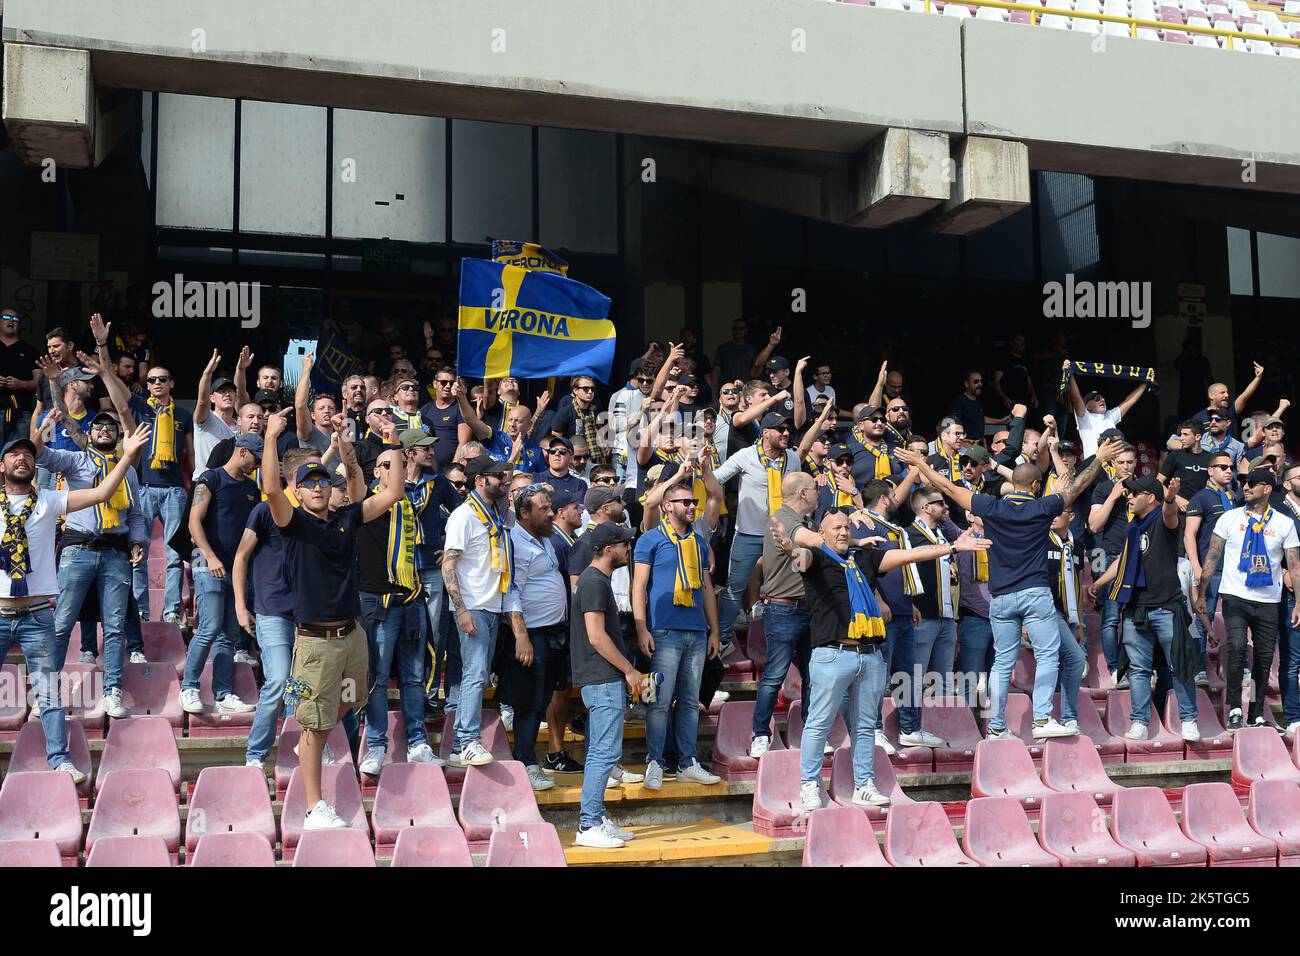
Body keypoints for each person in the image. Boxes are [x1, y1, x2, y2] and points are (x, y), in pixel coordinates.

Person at [898, 439, 1117, 739]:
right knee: (1049, 654)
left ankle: (997, 726)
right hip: (1035, 594)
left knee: (1001, 662)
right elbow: (1076, 488)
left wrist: (921, 464)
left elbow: (948, 488)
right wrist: (1099, 458)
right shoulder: (1043, 506)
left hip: (1000, 598)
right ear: (1037, 485)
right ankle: (1041, 720)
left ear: (1013, 484)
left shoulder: (991, 506)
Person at [770, 509, 988, 809]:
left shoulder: (865, 559)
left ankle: (864, 784)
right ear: (822, 534)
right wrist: (788, 548)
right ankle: (809, 784)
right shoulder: (816, 558)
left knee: (863, 728)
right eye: (835, 528)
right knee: (818, 724)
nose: (843, 532)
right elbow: (800, 558)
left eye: (846, 527)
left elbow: (910, 555)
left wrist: (951, 547)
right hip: (832, 655)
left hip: (870, 656)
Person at [261, 406, 395, 830]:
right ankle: (314, 806)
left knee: (355, 698)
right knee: (315, 728)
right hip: (316, 642)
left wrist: (392, 441)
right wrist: (270, 437)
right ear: (298, 492)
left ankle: (310, 738)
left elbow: (390, 494)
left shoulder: (345, 519)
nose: (318, 487)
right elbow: (269, 488)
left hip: (351, 636)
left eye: (323, 480)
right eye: (310, 482)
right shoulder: (293, 523)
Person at [0, 425, 151, 783]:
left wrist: (128, 455)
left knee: (49, 691)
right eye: (13, 454)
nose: (22, 458)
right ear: (1, 466)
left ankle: (59, 758)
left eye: (28, 454)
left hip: (36, 615)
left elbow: (101, 493)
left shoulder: (49, 500)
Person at [37, 408, 147, 719]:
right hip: (78, 548)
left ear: (117, 435)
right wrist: (46, 424)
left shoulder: (130, 472)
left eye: (110, 426)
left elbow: (136, 514)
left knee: (114, 628)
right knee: (61, 625)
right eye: (97, 426)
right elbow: (42, 456)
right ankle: (47, 692)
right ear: (89, 433)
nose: (104, 430)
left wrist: (138, 541)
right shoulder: (76, 460)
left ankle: (113, 691)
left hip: (115, 552)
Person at [355, 431, 444, 775]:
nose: (392, 470)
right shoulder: (365, 501)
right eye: (385, 466)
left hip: (412, 598)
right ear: (375, 473)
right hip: (379, 602)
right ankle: (377, 744)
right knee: (377, 677)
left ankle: (418, 742)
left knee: (413, 677)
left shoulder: (411, 502)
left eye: (397, 465)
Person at [1092, 476, 1201, 741]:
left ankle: (1188, 720)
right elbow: (1122, 561)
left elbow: (1171, 515)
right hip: (1135, 608)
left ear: (1150, 497)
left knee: (1179, 666)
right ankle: (1139, 721)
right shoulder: (1133, 528)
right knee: (1139, 670)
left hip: (1166, 607)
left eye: (1133, 493)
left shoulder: (1163, 522)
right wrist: (1099, 581)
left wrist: (1172, 498)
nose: (1128, 497)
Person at [233, 447, 322, 770]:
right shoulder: (265, 510)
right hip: (271, 610)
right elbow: (241, 557)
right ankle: (255, 755)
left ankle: (308, 748)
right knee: (280, 679)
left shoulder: (315, 514)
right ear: (294, 478)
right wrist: (241, 607)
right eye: (312, 475)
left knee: (311, 686)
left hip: (309, 614)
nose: (318, 483)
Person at [633, 481, 723, 789]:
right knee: (657, 701)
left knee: (689, 701)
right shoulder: (650, 539)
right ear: (667, 506)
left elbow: (707, 588)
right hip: (663, 631)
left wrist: (715, 630)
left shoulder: (698, 542)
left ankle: (687, 762)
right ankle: (655, 761)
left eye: (693, 501)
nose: (691, 506)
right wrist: (641, 627)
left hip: (696, 632)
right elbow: (638, 586)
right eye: (684, 501)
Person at [1195, 468, 1300, 731]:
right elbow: (1212, 556)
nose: (1246, 487)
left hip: (1269, 599)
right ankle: (1235, 709)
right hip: (1235, 595)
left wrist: (1299, 602)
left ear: (1267, 488)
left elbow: (1295, 567)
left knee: (1264, 659)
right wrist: (1201, 590)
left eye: (1252, 483)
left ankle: (1255, 711)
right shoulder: (1229, 518)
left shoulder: (1284, 523)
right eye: (1244, 482)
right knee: (1238, 647)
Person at [442, 455, 524, 767]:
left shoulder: (493, 513)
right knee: (475, 675)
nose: (504, 480)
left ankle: (458, 746)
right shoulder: (464, 516)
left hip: (492, 605)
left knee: (477, 676)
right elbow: (449, 563)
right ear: (480, 481)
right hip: (473, 605)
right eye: (497, 476)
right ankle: (466, 740)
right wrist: (461, 610)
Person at [179, 434, 264, 717]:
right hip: (207, 563)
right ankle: (189, 687)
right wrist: (211, 556)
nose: (258, 464)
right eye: (256, 457)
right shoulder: (210, 479)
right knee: (210, 627)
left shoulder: (252, 487)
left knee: (228, 634)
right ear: (242, 452)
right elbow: (193, 522)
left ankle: (223, 693)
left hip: (237, 570)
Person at [571, 522, 643, 848]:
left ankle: (597, 817)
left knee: (603, 752)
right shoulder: (594, 582)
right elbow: (596, 636)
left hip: (602, 679)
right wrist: (629, 670)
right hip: (602, 679)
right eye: (623, 543)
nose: (629, 548)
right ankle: (588, 825)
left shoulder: (596, 580)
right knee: (603, 753)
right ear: (607, 547)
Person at [712, 411, 801, 647]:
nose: (786, 433)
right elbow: (716, 478)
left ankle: (783, 643)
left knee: (785, 590)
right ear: (766, 432)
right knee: (734, 589)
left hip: (781, 535)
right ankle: (721, 641)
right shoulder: (746, 455)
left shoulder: (793, 458)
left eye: (788, 429)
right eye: (780, 429)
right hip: (748, 535)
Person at [506, 484, 569, 792]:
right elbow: (512, 591)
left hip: (554, 632)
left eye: (549, 506)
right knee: (530, 703)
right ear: (524, 513)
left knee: (543, 699)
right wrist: (522, 637)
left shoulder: (545, 537)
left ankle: (530, 760)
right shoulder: (516, 543)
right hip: (533, 635)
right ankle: (526, 762)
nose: (550, 512)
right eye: (543, 509)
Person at [750, 472, 818, 758]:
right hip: (782, 608)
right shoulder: (783, 520)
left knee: (813, 676)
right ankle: (760, 734)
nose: (818, 492)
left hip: (808, 609)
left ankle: (810, 734)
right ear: (802, 493)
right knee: (774, 674)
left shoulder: (805, 522)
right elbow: (816, 541)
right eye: (814, 488)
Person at [128, 363, 195, 624]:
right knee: (139, 551)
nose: (157, 383)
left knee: (175, 554)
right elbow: (119, 393)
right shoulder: (140, 410)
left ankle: (170, 611)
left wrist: (195, 486)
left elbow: (191, 455)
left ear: (171, 383)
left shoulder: (183, 414)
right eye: (153, 379)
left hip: (174, 490)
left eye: (163, 379)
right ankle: (141, 610)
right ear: (147, 386)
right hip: (144, 488)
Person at [903, 488, 962, 747]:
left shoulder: (940, 534)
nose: (946, 507)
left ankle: (935, 727)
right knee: (915, 676)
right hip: (923, 616)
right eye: (940, 503)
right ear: (926, 507)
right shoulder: (909, 534)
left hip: (945, 616)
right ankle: (909, 727)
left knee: (943, 678)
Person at [1183, 451, 1237, 684]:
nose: (1228, 470)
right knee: (1202, 615)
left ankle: (1239, 667)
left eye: (1230, 467)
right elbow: (1189, 535)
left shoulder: (1234, 498)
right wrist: (1196, 565)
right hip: (1210, 568)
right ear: (1210, 470)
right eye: (1222, 466)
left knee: (1237, 619)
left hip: (1234, 568)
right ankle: (1198, 667)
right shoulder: (1201, 497)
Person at [1088, 443, 1138, 685]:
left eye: (1130, 462)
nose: (1126, 467)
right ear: (1112, 464)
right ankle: (1114, 669)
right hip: (1112, 557)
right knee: (1111, 618)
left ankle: (1133, 667)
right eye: (1121, 462)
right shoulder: (1103, 488)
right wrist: (1114, 496)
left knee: (1136, 617)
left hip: (1141, 557)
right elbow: (1094, 525)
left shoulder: (1145, 488)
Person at [1045, 507, 1087, 731]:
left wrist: (1080, 621)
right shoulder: (1042, 541)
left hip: (1071, 614)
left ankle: (1057, 718)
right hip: (1050, 611)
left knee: (1065, 664)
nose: (1052, 517)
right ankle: (1068, 717)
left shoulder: (1077, 545)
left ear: (1071, 516)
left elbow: (1078, 584)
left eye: (1058, 513)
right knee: (1076, 659)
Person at [1066, 362, 1149, 458]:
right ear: (1087, 406)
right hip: (1094, 466)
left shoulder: (1110, 416)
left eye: (1102, 398)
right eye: (1097, 398)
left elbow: (1129, 401)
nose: (1102, 400)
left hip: (1114, 467)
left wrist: (1146, 382)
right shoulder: (1084, 418)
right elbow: (1076, 397)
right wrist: (1070, 374)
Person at [1275, 461, 1300, 735]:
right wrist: (1283, 571)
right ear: (1287, 483)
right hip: (1291, 595)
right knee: (1293, 660)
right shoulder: (1279, 512)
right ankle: (1293, 716)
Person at [192, 350, 239, 480]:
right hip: (204, 482)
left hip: (231, 484)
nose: (227, 394)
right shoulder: (206, 420)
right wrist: (207, 374)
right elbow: (202, 402)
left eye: (231, 391)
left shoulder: (242, 426)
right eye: (222, 391)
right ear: (212, 398)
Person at [0, 307, 40, 448]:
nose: (11, 321)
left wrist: (21, 384)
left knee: (18, 454)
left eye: (15, 319)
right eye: (6, 317)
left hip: (21, 412)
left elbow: (38, 382)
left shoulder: (29, 350)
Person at [419, 366, 471, 470]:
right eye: (443, 382)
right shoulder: (425, 410)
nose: (448, 386)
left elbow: (464, 442)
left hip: (451, 470)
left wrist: (453, 469)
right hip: (428, 469)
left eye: (451, 383)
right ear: (434, 384)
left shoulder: (461, 409)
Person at [948, 369, 1007, 444]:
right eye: (976, 381)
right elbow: (953, 426)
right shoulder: (958, 403)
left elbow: (979, 417)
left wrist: (1000, 421)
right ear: (966, 384)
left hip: (979, 443)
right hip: (965, 445)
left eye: (980, 381)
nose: (980, 384)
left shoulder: (977, 402)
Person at [993, 331, 1037, 412]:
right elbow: (996, 381)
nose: (1022, 343)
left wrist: (1034, 395)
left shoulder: (1025, 361)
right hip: (1010, 402)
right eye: (1019, 340)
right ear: (1012, 343)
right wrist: (1005, 398)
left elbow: (1028, 380)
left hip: (1024, 402)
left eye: (1023, 341)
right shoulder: (1005, 359)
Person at [711, 319, 758, 393]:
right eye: (735, 328)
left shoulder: (751, 349)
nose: (737, 331)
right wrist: (714, 392)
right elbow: (716, 372)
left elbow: (755, 371)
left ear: (746, 331)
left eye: (741, 329)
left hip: (746, 391)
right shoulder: (723, 349)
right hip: (727, 391)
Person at [538, 436, 587, 501]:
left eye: (562, 451)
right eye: (553, 451)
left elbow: (578, 509)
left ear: (571, 458)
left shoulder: (579, 484)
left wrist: (555, 494)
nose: (557, 453)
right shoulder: (534, 478)